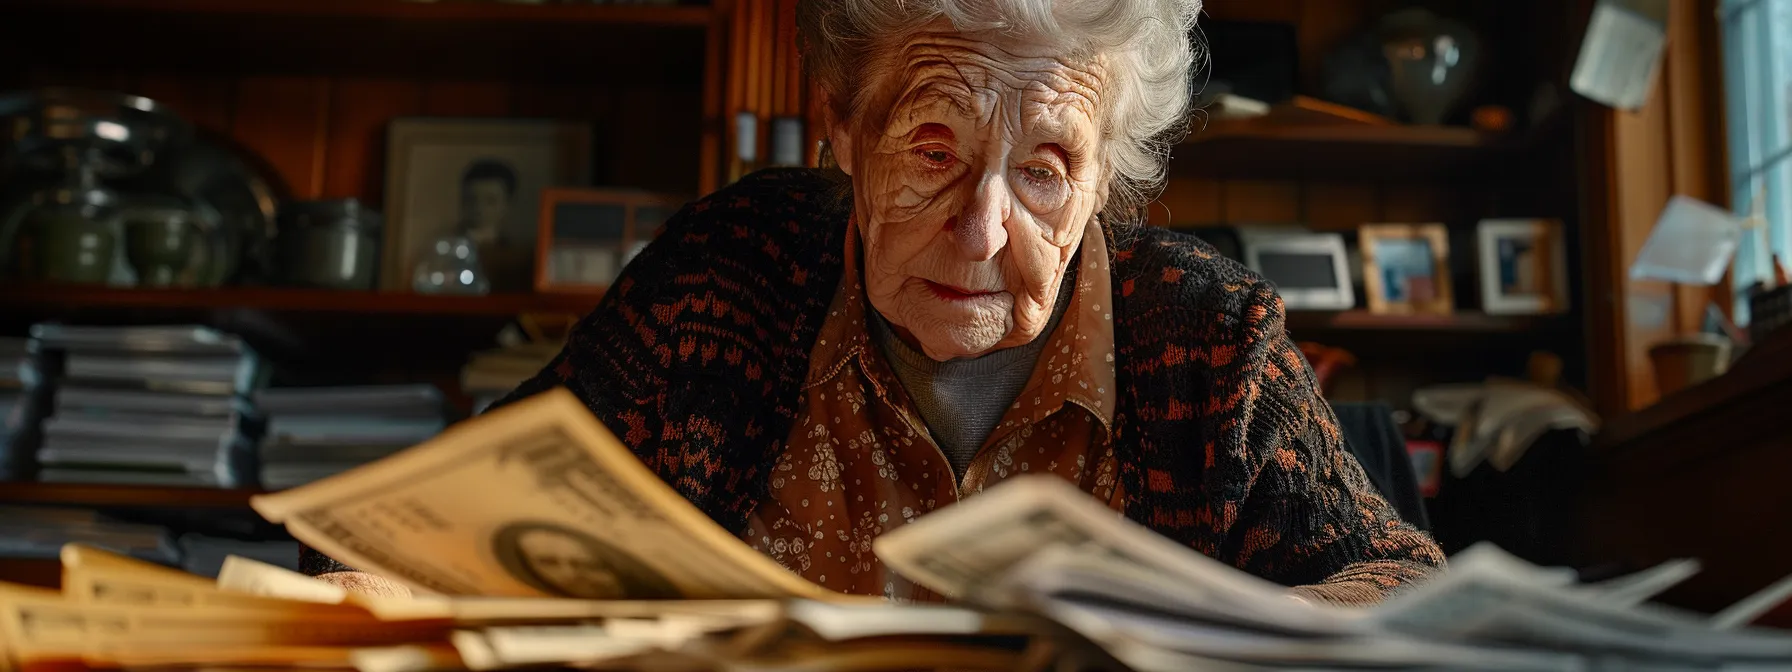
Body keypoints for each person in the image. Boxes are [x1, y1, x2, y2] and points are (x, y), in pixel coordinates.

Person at [304, 0, 1444, 604]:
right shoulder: (729, 273)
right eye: (933, 148)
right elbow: (464, 515)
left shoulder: (1208, 335)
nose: (984, 229)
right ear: (844, 130)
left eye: (1045, 168)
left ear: (1106, 177)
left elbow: (1397, 584)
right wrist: (374, 588)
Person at [457, 159, 517, 248]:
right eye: (472, 199)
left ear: (506, 205)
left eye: (490, 201)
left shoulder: (514, 250)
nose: (479, 207)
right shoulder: (447, 245)